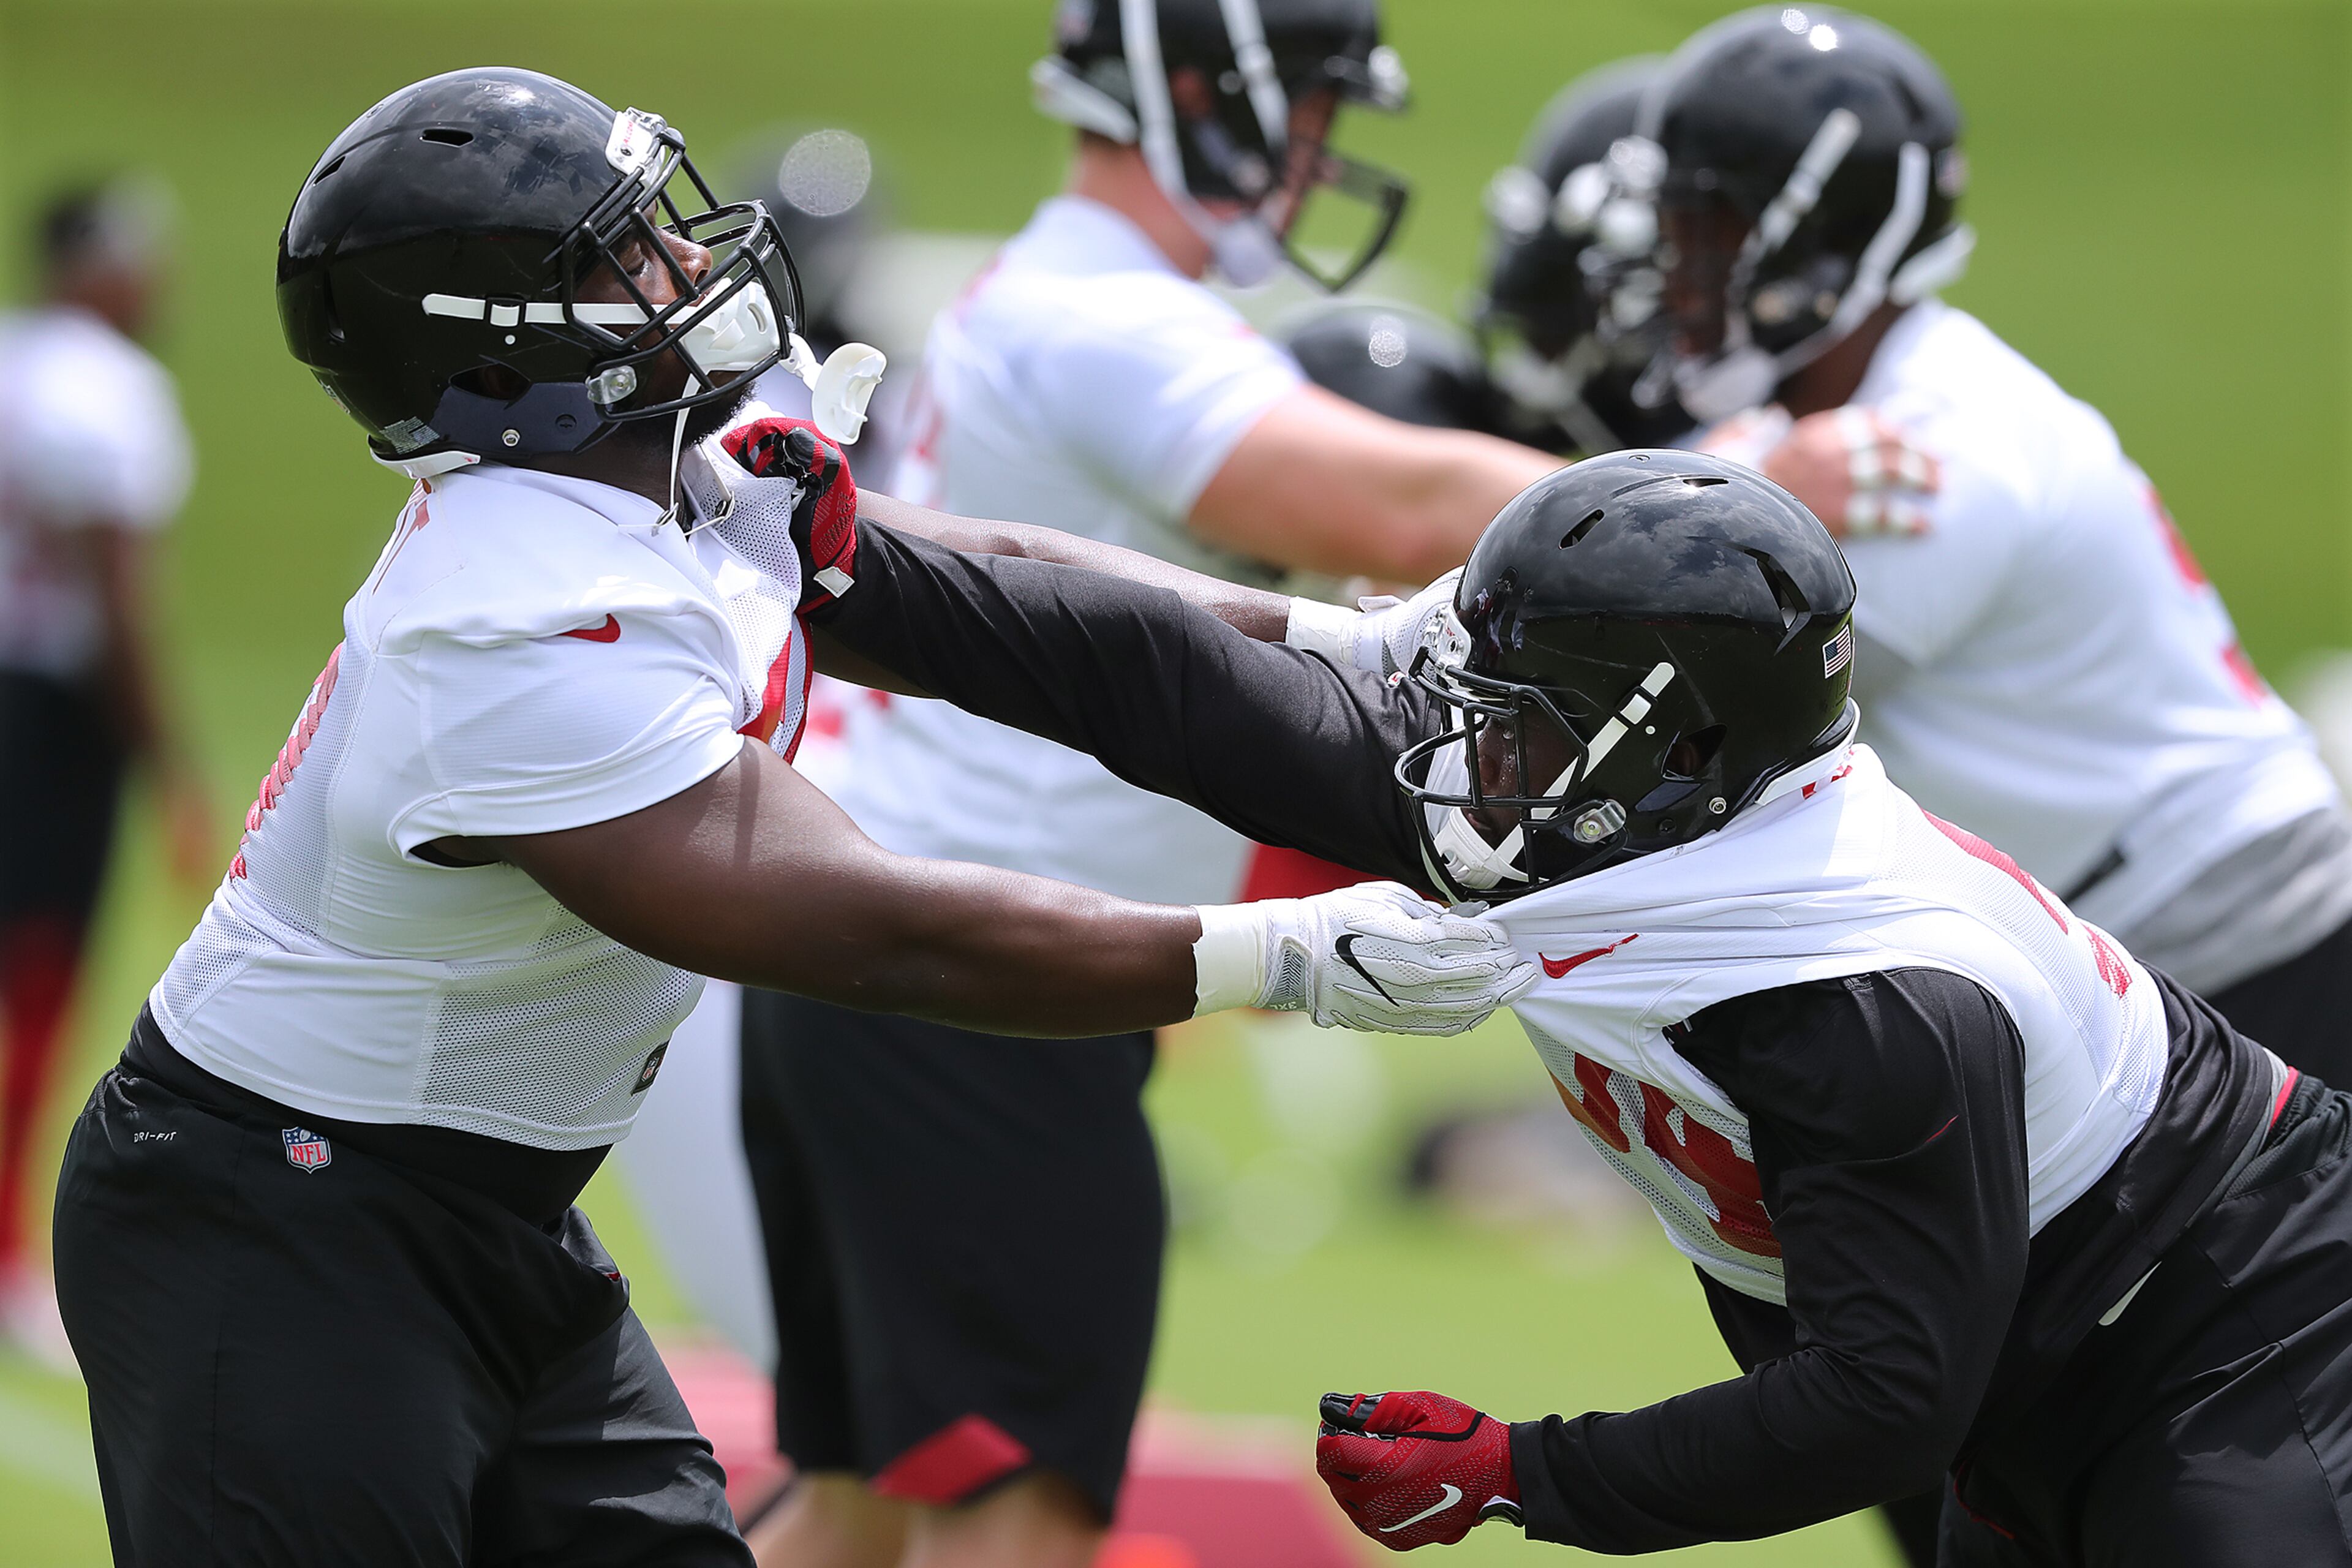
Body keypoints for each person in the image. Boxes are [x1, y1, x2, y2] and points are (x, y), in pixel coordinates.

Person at [47, 68, 1536, 1568]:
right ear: (501, 348)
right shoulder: (509, 626)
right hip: (277, 1217)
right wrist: (1276, 956)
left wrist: (1348, 646)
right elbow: (872, 927)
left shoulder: (667, 482)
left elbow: (1020, 596)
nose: (690, 265)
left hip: (488, 1207)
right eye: (625, 255)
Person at [774, 444, 2352, 1565]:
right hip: (2030, 1358)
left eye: (1510, 722)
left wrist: (1526, 1471)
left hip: (2247, 1334)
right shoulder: (1590, 794)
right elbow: (1153, 663)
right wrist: (830, 550)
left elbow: (1878, 1400)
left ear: (1670, 753)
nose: (1453, 752)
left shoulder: (1857, 989)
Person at [736, 3, 1563, 1564]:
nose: (1322, 147)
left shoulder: (1053, 294)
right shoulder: (1105, 315)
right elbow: (1382, 502)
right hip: (975, 978)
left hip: (891, 946)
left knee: (857, 1515)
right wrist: (1712, 497)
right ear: (1207, 90)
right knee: (1016, 1515)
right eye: (1310, 103)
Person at [1637, 7, 2352, 1093]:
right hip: (2118, 942)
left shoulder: (1932, 444)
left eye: (1713, 233)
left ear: (1817, 233)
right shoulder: (1802, 427)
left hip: (2238, 938)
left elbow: (1709, 734)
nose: (1681, 270)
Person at [0, 176, 209, 1362]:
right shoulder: (107, 392)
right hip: (48, 707)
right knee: (37, 974)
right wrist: (166, 758)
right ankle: (3, 1253)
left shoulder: (16, 360)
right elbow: (113, 596)